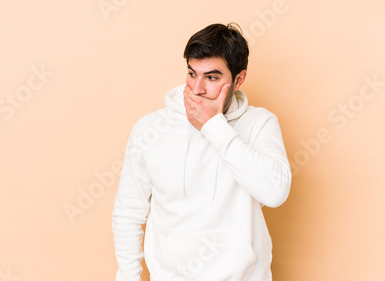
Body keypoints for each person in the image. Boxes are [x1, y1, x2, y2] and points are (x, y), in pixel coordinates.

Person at [111, 23, 292, 281]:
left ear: (238, 80)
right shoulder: (150, 129)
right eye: (192, 73)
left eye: (212, 77)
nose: (197, 88)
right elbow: (128, 213)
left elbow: (274, 193)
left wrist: (213, 127)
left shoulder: (260, 124)